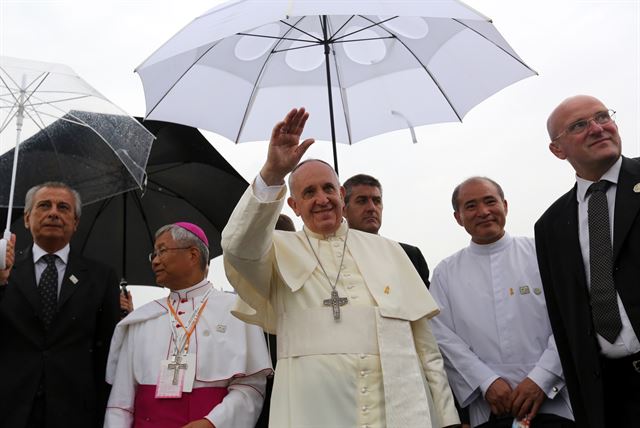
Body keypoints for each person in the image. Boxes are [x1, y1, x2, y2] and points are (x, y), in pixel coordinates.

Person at [222, 107, 460, 428]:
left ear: (342, 194)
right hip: (311, 413)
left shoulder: (389, 252)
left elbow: (426, 350)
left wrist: (447, 420)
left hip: (392, 411)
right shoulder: (276, 251)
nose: (321, 199)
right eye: (309, 192)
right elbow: (238, 247)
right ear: (293, 205)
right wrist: (272, 173)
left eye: (328, 188)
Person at [429, 177, 573, 428]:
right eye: (471, 206)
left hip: (554, 397)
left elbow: (570, 318)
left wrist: (541, 378)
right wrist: (486, 382)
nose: (483, 212)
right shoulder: (445, 273)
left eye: (490, 201)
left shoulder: (541, 253)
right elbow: (441, 338)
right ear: (458, 217)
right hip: (489, 406)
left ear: (505, 205)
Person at [535, 95, 640, 428]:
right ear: (557, 149)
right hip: (612, 397)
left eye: (602, 117)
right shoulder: (550, 226)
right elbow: (565, 325)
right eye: (580, 125)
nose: (597, 128)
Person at [105, 222, 272, 428]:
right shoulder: (141, 320)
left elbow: (250, 388)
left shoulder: (237, 311)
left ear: (193, 254)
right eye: (153, 254)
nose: (155, 261)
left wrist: (212, 423)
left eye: (162, 251)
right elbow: (120, 403)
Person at [0, 181, 120, 427]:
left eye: (63, 207)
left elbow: (106, 351)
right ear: (26, 218)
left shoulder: (101, 277)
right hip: (10, 408)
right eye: (44, 205)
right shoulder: (5, 272)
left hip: (76, 411)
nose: (53, 212)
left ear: (75, 223)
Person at [343, 173, 431, 287]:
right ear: (343, 209)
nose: (371, 208)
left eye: (376, 201)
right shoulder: (334, 258)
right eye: (362, 201)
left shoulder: (409, 256)